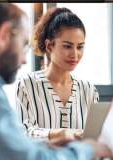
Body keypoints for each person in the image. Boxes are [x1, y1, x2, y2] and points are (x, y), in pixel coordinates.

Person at [0, 3, 113, 160]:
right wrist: (87, 150)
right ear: (4, 35)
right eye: (23, 45)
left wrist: (48, 143)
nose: (24, 60)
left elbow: (11, 148)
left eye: (80, 46)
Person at [16, 8, 98, 141]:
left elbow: (95, 137)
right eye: (67, 46)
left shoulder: (89, 90)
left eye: (80, 47)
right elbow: (24, 133)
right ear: (49, 46)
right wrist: (59, 134)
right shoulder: (27, 84)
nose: (75, 54)